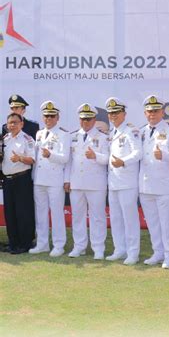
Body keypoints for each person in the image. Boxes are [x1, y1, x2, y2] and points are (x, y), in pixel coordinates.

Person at [139, 95, 169, 269]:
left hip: (165, 186)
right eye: (149, 111)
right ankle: (158, 252)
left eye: (155, 111)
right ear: (145, 113)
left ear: (162, 112)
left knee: (167, 223)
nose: (152, 114)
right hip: (146, 184)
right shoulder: (141, 131)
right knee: (153, 223)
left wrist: (163, 155)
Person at [64, 104, 109, 260]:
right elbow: (69, 161)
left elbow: (108, 159)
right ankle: (79, 246)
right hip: (76, 183)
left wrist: (95, 155)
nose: (85, 122)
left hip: (96, 183)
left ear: (94, 119)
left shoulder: (103, 137)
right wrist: (67, 180)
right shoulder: (73, 136)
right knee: (78, 216)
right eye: (83, 119)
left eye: (88, 119)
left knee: (97, 217)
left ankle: (98, 248)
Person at [30, 101, 70, 257]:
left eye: (52, 116)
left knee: (56, 213)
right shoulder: (39, 134)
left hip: (54, 179)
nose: (48, 119)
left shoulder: (63, 134)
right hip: (39, 178)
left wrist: (50, 155)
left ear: (57, 117)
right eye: (46, 116)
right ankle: (42, 244)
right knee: (40, 212)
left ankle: (59, 245)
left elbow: (65, 158)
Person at [105, 97, 142, 265]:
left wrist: (123, 161)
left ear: (124, 114)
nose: (113, 116)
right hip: (113, 182)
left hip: (127, 182)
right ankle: (119, 249)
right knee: (116, 218)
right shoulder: (111, 132)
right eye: (111, 113)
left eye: (116, 113)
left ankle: (133, 252)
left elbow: (138, 153)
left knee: (130, 219)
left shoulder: (131, 131)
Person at [1, 113, 36, 253]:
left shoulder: (27, 139)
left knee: (23, 212)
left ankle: (25, 243)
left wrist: (20, 158)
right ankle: (13, 242)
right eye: (10, 123)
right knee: (10, 213)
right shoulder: (5, 139)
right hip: (8, 180)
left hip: (22, 179)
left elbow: (32, 160)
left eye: (15, 122)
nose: (12, 125)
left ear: (21, 124)